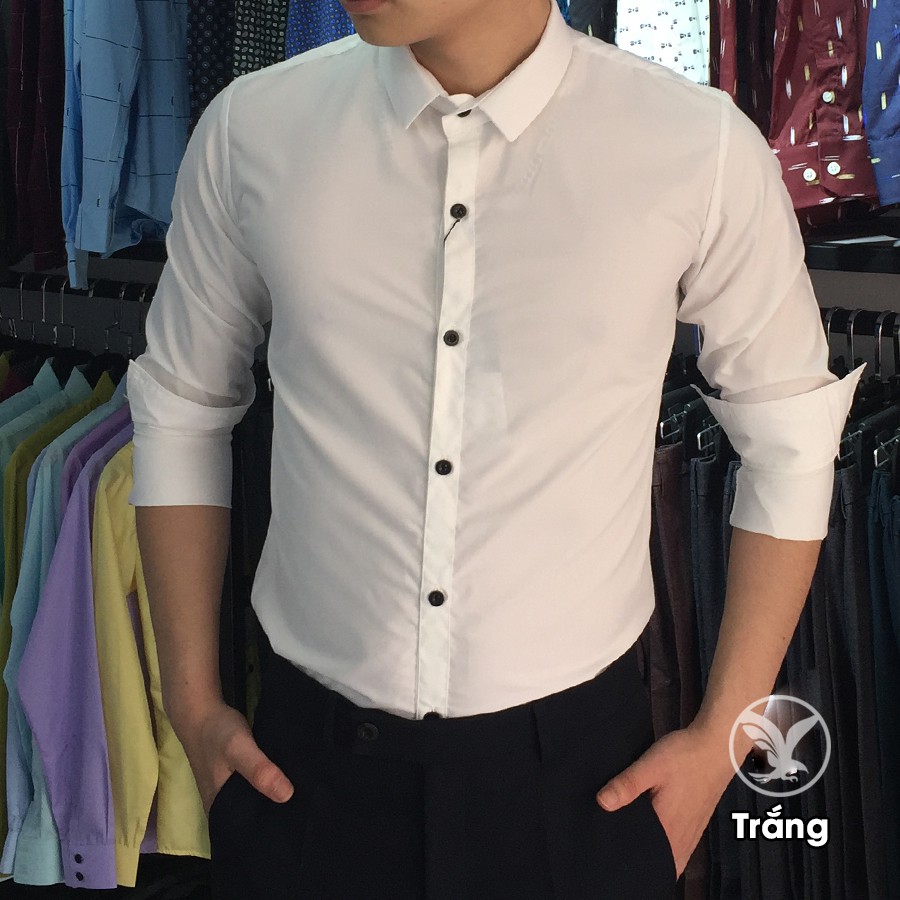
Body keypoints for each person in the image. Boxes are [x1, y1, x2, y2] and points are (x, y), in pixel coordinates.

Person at [127, 0, 862, 897]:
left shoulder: (695, 148)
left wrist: (723, 742)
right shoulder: (254, 130)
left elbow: (788, 437)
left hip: (579, 786)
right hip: (303, 779)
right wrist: (190, 703)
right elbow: (183, 409)